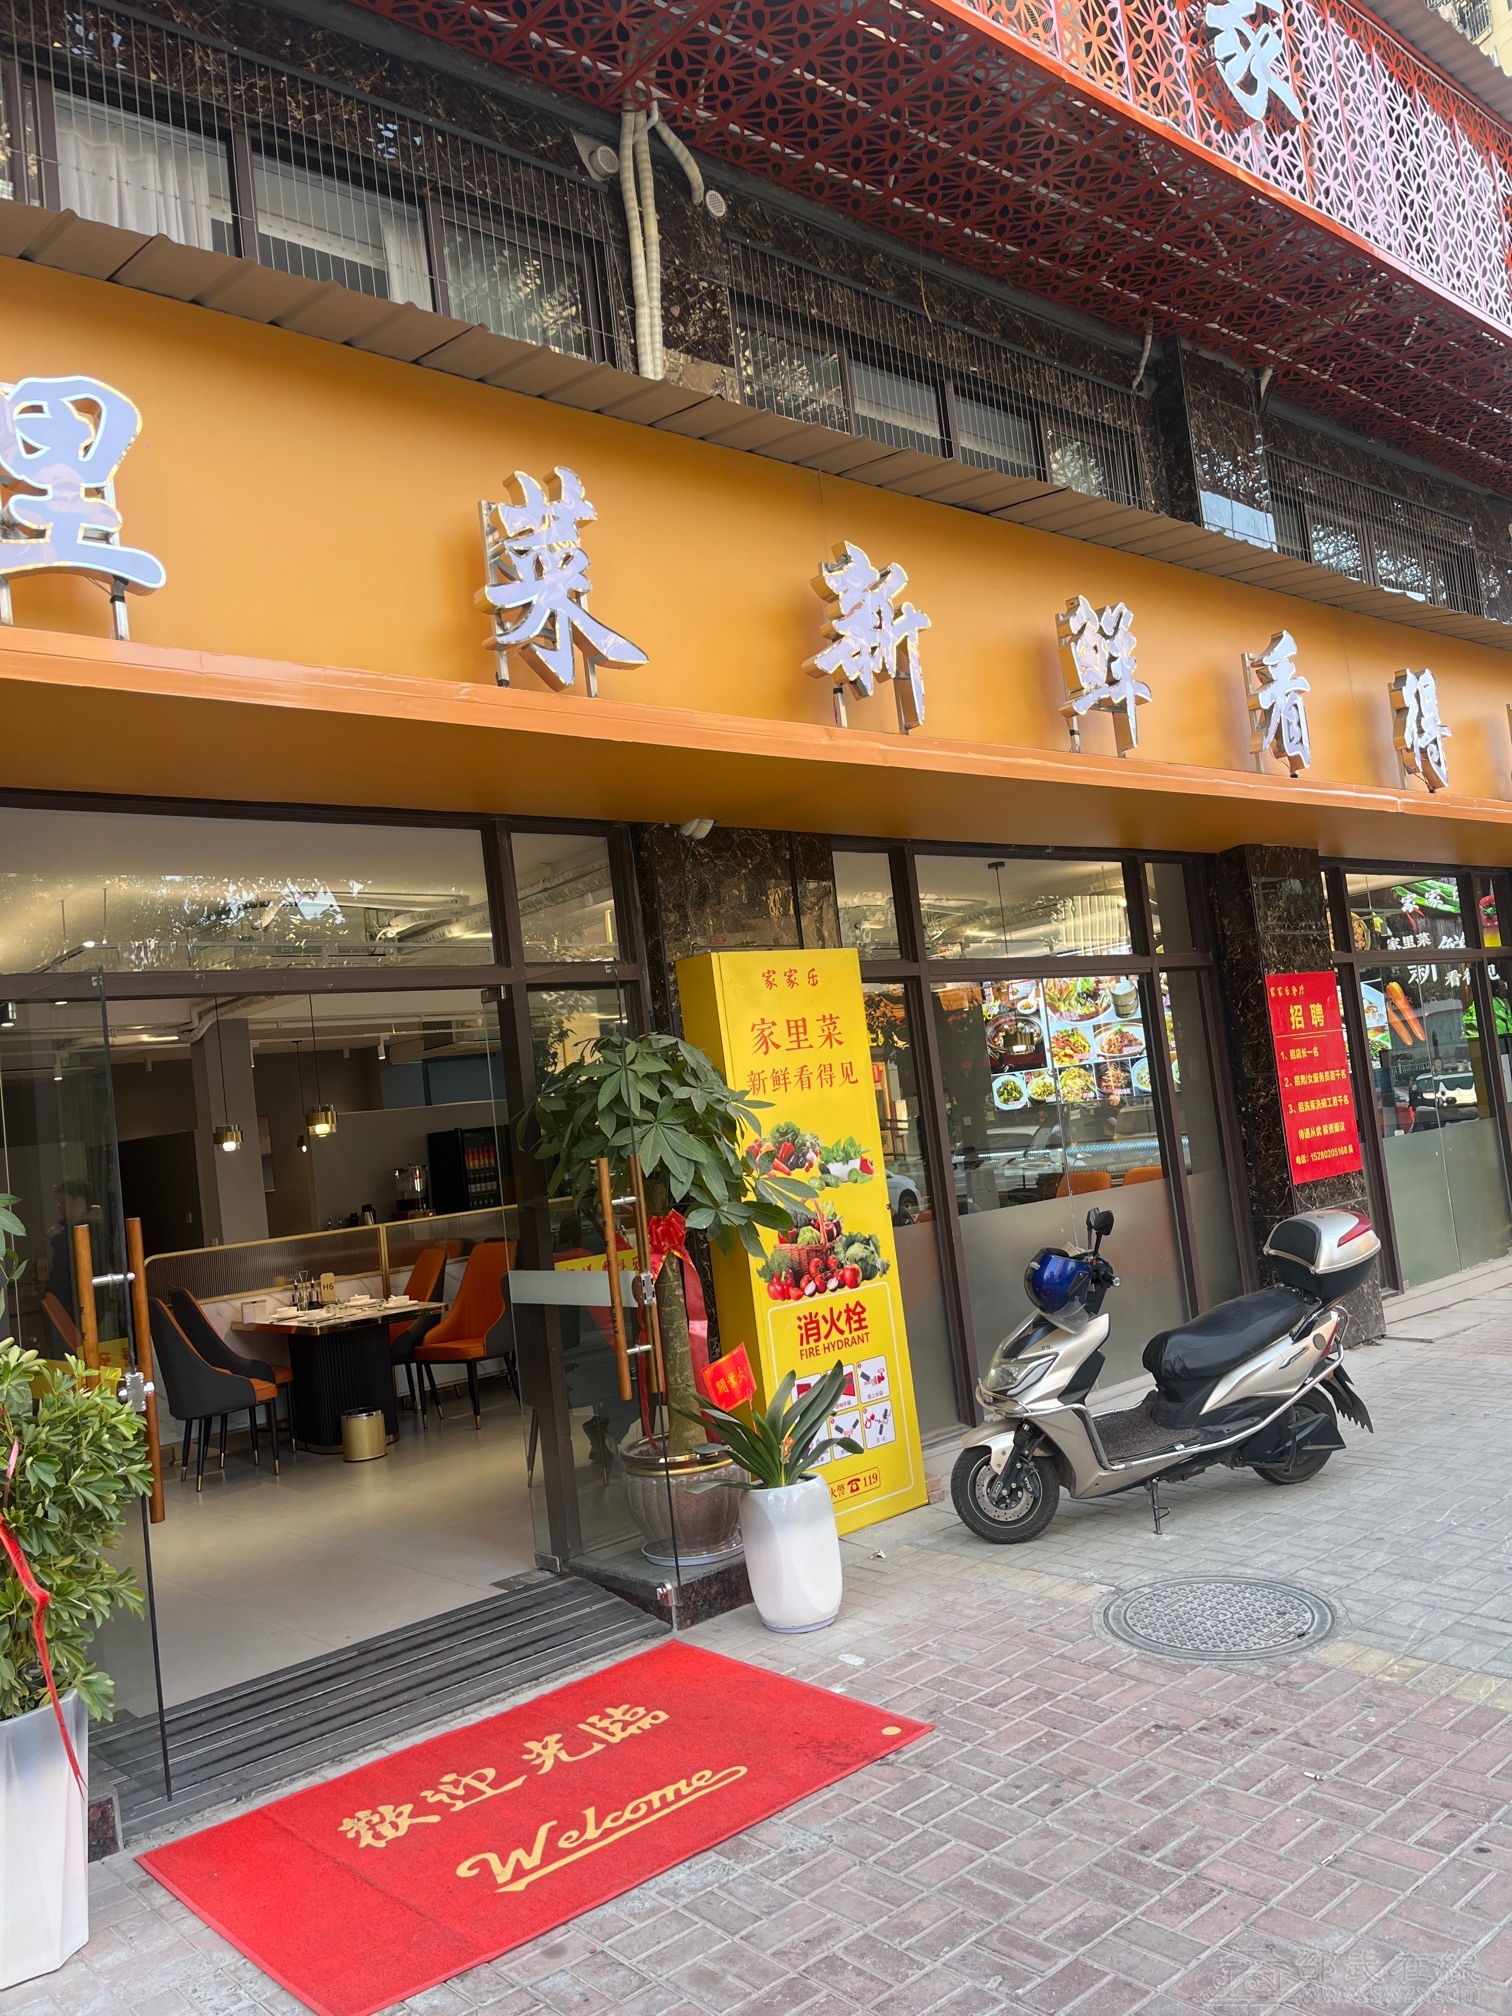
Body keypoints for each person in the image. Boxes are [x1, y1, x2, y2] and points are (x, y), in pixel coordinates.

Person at [46, 1179, 94, 1332]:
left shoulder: (92, 1226)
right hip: (64, 1299)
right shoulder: (67, 1229)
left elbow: (77, 1250)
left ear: (79, 1202)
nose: (60, 1207)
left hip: (79, 1298)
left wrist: (56, 1239)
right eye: (58, 1203)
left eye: (63, 1202)